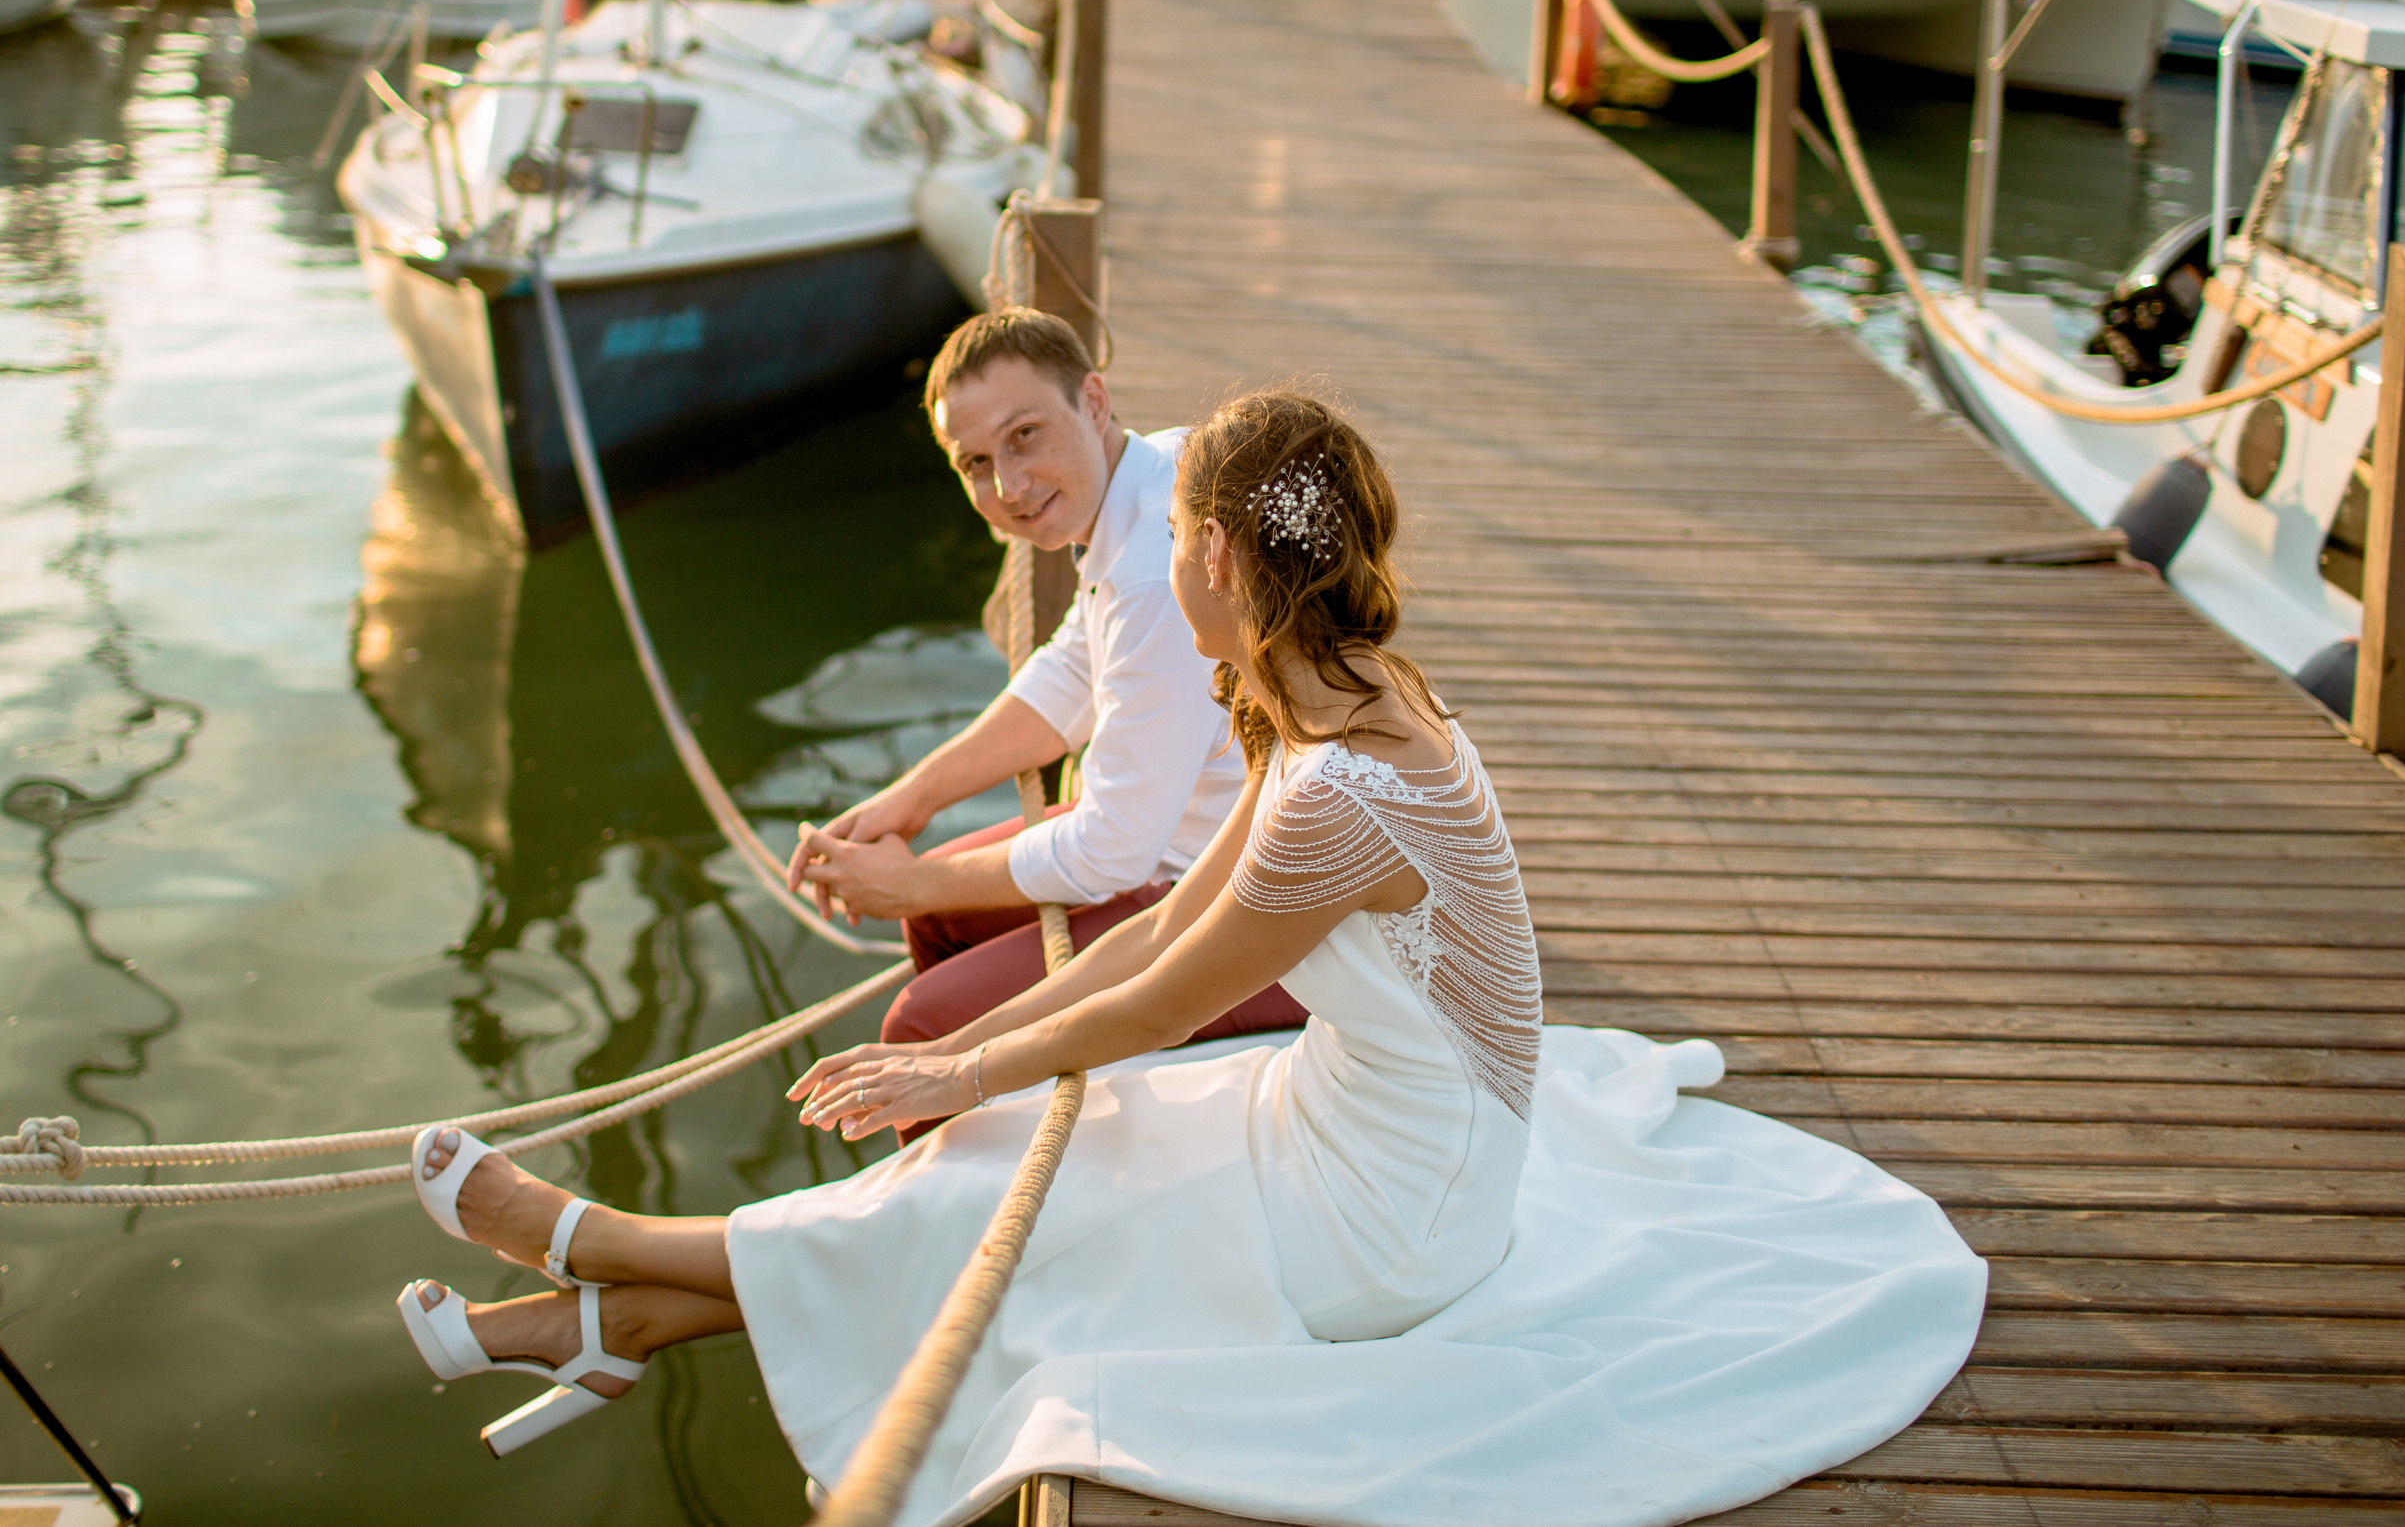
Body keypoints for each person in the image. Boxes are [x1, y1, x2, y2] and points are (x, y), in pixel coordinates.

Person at [394, 389, 1986, 1525]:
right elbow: (1154, 927)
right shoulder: (1340, 696)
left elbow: (1166, 994)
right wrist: (973, 1069)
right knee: (995, 1152)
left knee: (1003, 1188)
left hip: (1390, 1210)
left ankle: (607, 1260)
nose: (1162, 565)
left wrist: (950, 1055)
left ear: (1218, 551)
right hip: (1349, 1116)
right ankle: (616, 1310)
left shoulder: (1348, 780)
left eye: (1182, 540)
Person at [783, 309, 1303, 1069]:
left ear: (1093, 401)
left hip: (1260, 915)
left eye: (1024, 434)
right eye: (974, 462)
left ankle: (997, 1139)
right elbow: (1074, 669)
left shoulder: (1156, 570)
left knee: (920, 1026)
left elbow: (1115, 849)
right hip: (1181, 850)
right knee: (940, 926)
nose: (1008, 485)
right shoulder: (1149, 472)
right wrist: (914, 797)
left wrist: (914, 881)